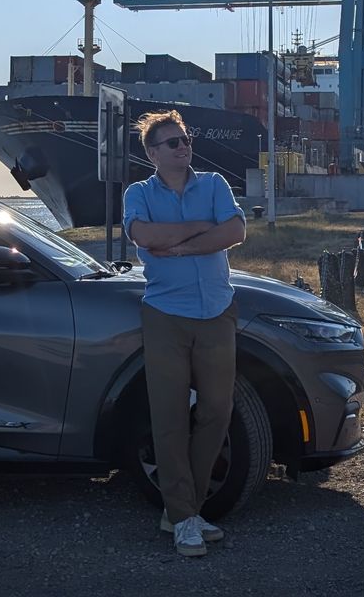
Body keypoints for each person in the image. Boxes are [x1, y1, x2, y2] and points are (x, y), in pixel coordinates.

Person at [121, 110, 247, 558]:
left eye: (185, 139)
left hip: (216, 312)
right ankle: (186, 518)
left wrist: (180, 246)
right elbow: (142, 234)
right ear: (153, 153)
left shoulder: (213, 184)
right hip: (165, 315)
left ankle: (181, 510)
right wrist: (199, 226)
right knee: (169, 416)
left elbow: (234, 231)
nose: (183, 146)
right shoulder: (138, 193)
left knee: (216, 410)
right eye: (172, 143)